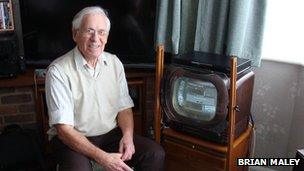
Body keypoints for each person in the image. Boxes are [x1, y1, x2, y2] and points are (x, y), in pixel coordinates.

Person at [45, 6, 165, 171]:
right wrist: (104, 158)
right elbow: (64, 130)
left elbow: (124, 108)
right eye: (89, 31)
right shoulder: (58, 70)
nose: (96, 39)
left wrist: (128, 137)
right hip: (72, 139)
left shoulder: (115, 63)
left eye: (101, 32)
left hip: (109, 135)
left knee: (155, 154)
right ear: (75, 34)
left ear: (107, 37)